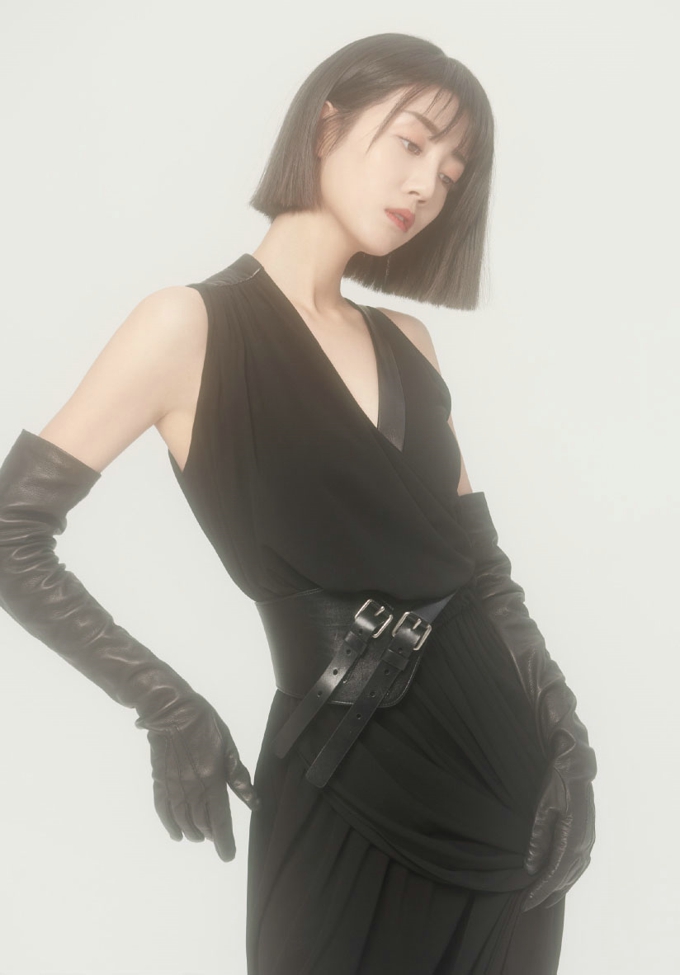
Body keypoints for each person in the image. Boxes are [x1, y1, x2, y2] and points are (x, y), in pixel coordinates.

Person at [0, 32, 597, 975]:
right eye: (412, 143)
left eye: (450, 175)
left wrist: (566, 736)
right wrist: (165, 704)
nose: (426, 186)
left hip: (506, 791)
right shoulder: (188, 326)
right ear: (326, 126)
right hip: (339, 771)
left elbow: (484, 570)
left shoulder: (409, 343)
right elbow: (11, 534)